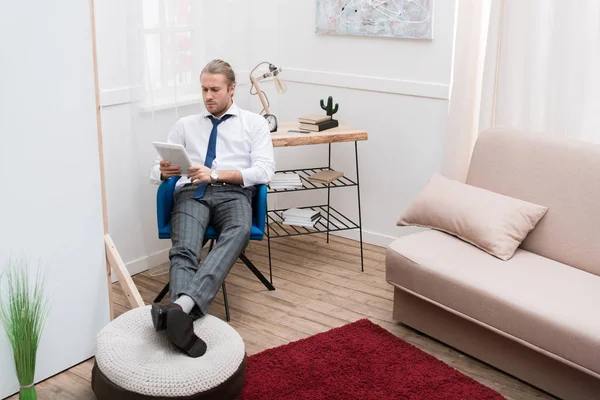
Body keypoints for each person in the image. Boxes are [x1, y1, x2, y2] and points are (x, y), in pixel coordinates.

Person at [149, 59, 275, 357]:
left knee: (239, 230)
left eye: (215, 89)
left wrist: (216, 174)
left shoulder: (254, 123)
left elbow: (264, 171)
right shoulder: (185, 125)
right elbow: (156, 170)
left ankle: (179, 308)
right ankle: (184, 314)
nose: (208, 96)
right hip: (192, 192)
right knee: (184, 250)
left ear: (232, 89)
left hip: (233, 193)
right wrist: (163, 171)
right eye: (204, 89)